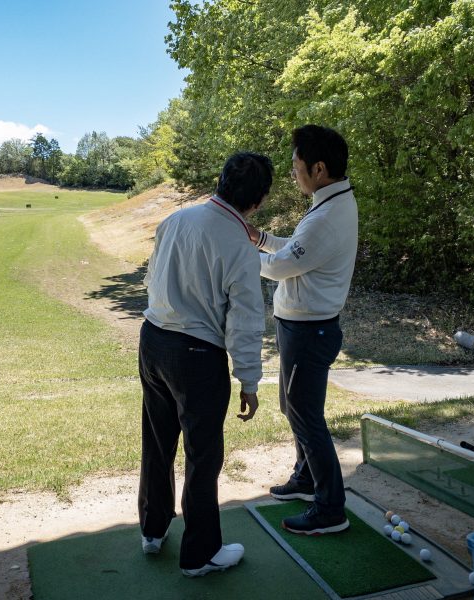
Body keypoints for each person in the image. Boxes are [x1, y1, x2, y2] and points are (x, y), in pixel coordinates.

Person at [138, 152, 272, 576]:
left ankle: (152, 530)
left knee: (158, 441)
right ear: (260, 200)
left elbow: (151, 276)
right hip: (196, 355)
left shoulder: (177, 219)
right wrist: (248, 380)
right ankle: (199, 554)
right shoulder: (241, 247)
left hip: (153, 339)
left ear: (220, 181)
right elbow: (245, 323)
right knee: (203, 455)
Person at [248, 125, 358, 535]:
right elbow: (294, 247)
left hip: (309, 332)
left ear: (319, 168)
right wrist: (259, 238)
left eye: (297, 168)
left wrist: (244, 250)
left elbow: (279, 268)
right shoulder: (329, 202)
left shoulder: (327, 216)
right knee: (293, 409)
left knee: (305, 416)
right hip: (303, 328)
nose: (293, 174)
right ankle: (307, 478)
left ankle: (330, 508)